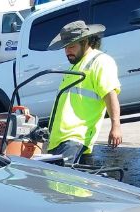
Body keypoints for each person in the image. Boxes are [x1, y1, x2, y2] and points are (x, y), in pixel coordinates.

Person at [46, 20, 122, 165]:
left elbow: (110, 95)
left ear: (85, 41)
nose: (68, 51)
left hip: (75, 138)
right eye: (65, 47)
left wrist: (116, 126)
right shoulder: (76, 67)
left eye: (72, 46)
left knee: (63, 184)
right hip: (58, 140)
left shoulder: (100, 62)